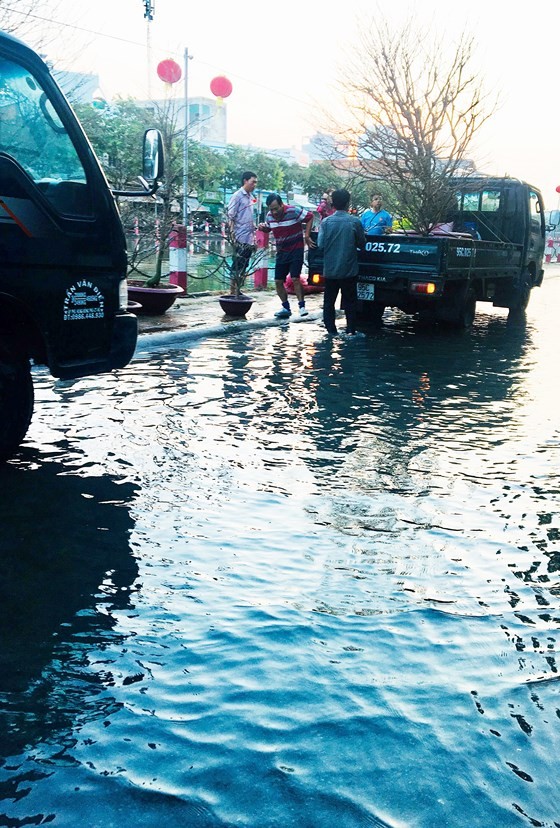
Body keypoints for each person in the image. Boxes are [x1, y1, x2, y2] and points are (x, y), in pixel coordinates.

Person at [318, 188, 365, 336]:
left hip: (331, 270)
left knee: (329, 302)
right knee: (350, 301)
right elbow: (362, 243)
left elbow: (320, 244)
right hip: (349, 270)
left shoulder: (326, 223)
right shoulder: (354, 222)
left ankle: (331, 331)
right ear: (347, 203)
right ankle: (350, 330)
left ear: (333, 203)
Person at [258, 194, 314, 318]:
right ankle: (285, 307)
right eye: (271, 209)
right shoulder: (269, 216)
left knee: (295, 278)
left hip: (296, 249)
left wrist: (307, 235)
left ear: (282, 205)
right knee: (278, 281)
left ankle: (302, 306)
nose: (274, 212)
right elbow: (269, 228)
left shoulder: (293, 211)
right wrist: (263, 228)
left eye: (276, 208)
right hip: (282, 251)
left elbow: (310, 217)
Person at [226, 171, 258, 293]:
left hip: (248, 238)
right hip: (239, 237)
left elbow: (249, 218)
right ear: (245, 181)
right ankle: (232, 291)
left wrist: (254, 238)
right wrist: (233, 237)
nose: (254, 185)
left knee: (244, 265)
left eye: (255, 182)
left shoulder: (251, 197)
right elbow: (231, 216)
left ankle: (238, 290)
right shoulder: (237, 196)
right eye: (252, 182)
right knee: (237, 265)